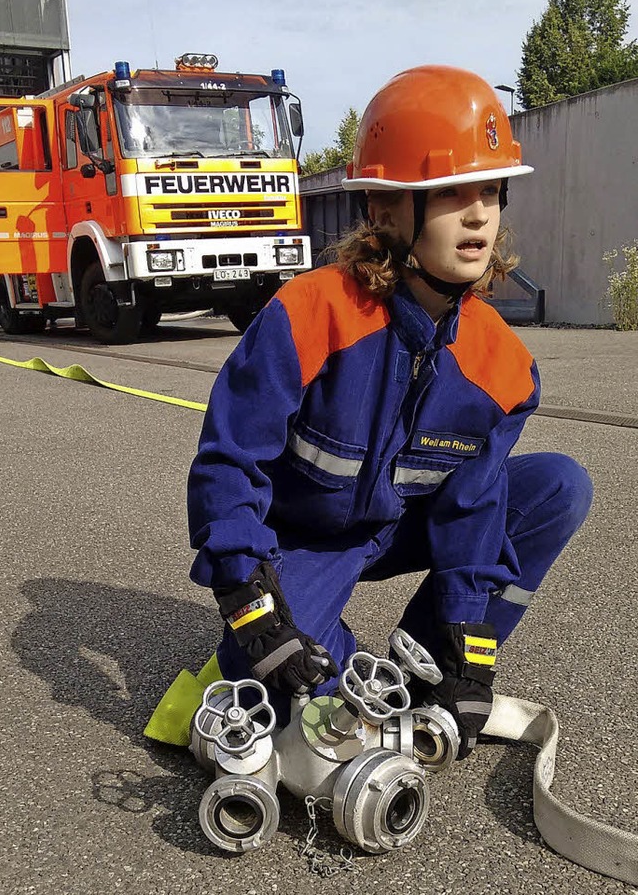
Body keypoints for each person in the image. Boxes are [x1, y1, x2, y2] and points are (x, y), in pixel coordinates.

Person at [186, 66, 593, 758]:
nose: (479, 214)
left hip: (399, 526)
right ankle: (334, 662)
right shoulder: (309, 316)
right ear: (384, 207)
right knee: (263, 676)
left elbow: (474, 509)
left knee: (559, 486)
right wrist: (253, 603)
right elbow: (229, 461)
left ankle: (423, 665)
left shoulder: (501, 367)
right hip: (301, 540)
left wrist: (471, 654)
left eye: (491, 190)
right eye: (450, 191)